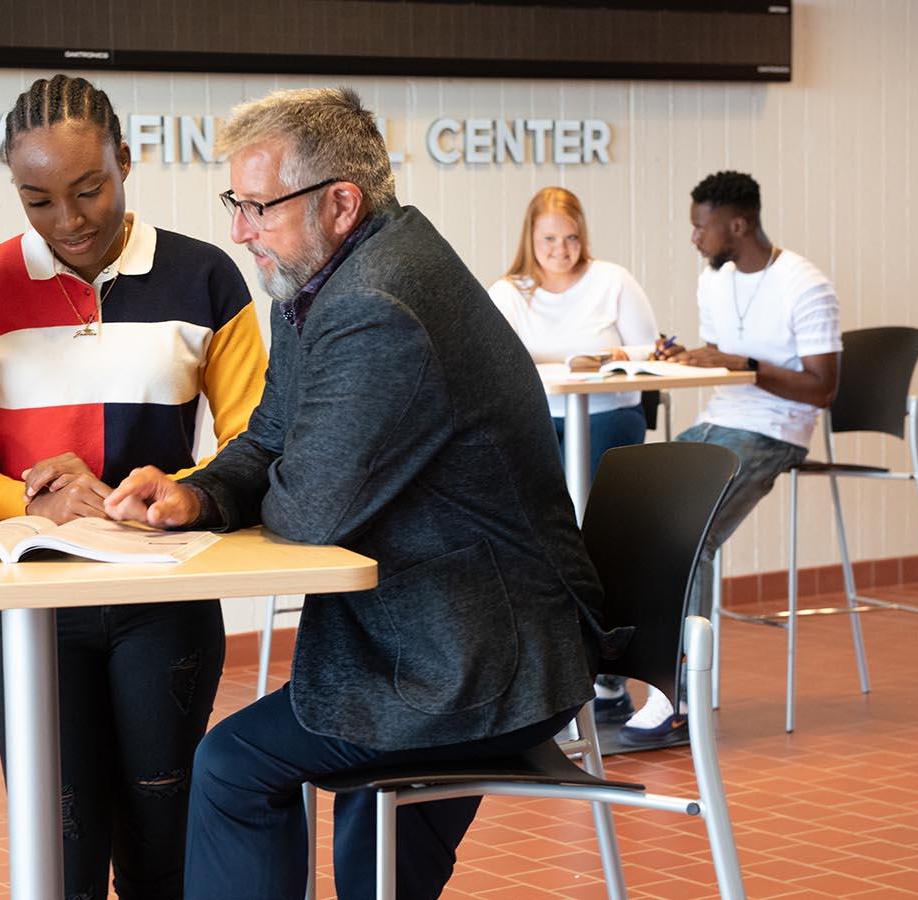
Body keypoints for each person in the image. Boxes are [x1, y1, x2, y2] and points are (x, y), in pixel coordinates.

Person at [103, 87, 614, 900]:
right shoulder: (316, 278)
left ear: (342, 203)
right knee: (366, 834)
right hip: (444, 629)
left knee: (233, 768)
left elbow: (309, 514)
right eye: (236, 203)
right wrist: (196, 497)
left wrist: (269, 483)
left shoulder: (377, 303)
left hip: (479, 655)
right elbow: (271, 438)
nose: (240, 230)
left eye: (258, 206)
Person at [0, 75, 267, 900]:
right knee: (61, 856)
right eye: (37, 200)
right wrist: (25, 500)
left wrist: (178, 491)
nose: (70, 221)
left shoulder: (206, 277)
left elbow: (257, 440)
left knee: (163, 851)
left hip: (168, 600)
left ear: (126, 159)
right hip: (38, 606)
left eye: (90, 190)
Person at [627, 169, 841, 744]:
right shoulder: (714, 282)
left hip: (774, 432)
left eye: (702, 227)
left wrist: (744, 366)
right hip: (721, 420)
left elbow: (823, 388)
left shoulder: (805, 285)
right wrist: (688, 358)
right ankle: (613, 677)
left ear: (738, 224)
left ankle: (677, 697)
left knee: (687, 535)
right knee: (631, 507)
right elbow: (727, 358)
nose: (694, 238)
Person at [487, 186, 659, 726]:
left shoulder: (612, 281)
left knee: (598, 540)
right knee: (539, 544)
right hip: (537, 425)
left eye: (571, 238)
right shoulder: (509, 291)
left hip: (610, 417)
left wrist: (605, 356)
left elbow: (650, 349)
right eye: (549, 239)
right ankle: (557, 680)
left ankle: (608, 675)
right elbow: (496, 356)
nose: (561, 249)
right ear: (529, 240)